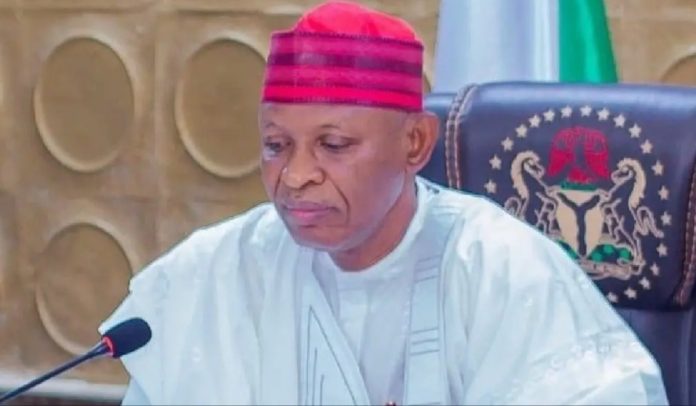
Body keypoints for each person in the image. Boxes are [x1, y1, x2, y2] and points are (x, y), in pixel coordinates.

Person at [100, 1, 668, 404]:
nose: (295, 177)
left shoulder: (499, 268)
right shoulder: (218, 272)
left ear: (414, 143)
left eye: (333, 145)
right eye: (276, 146)